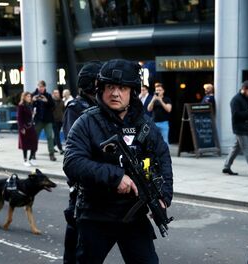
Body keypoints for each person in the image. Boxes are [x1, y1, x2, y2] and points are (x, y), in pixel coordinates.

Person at [63, 59, 173, 263]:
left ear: (132, 91)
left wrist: (164, 196)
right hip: (95, 214)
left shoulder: (145, 124)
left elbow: (163, 159)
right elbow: (72, 162)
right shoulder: (86, 122)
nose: (115, 93)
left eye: (122, 88)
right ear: (101, 89)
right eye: (110, 87)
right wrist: (116, 177)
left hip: (134, 215)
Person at [60, 60, 102, 264]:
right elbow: (74, 147)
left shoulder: (102, 107)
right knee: (76, 237)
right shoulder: (75, 108)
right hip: (81, 184)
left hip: (100, 183)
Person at [222, 80, 248, 178]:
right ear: (243, 89)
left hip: (247, 127)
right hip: (239, 127)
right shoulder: (235, 100)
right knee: (246, 148)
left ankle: (226, 166)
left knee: (236, 147)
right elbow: (236, 115)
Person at [31, 80, 57, 161]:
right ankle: (33, 153)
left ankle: (51, 154)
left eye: (42, 87)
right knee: (35, 137)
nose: (40, 88)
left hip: (47, 120)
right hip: (38, 120)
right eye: (39, 87)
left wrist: (47, 101)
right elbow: (28, 107)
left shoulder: (48, 95)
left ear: (45, 87)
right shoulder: (33, 95)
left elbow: (53, 107)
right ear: (37, 86)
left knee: (50, 137)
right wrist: (32, 101)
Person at [17, 91, 38, 166]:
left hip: (31, 126)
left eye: (30, 96)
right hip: (24, 127)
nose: (30, 98)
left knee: (34, 143)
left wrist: (33, 114)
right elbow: (19, 118)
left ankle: (31, 158)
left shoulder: (30, 105)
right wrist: (22, 128)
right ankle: (25, 160)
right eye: (28, 96)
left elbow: (30, 116)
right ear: (24, 97)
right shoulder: (21, 106)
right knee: (25, 145)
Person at [52, 89, 65, 154]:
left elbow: (63, 110)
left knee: (56, 135)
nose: (57, 94)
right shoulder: (51, 102)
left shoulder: (62, 101)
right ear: (53, 94)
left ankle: (52, 146)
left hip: (60, 120)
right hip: (53, 121)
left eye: (58, 93)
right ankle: (60, 149)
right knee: (57, 135)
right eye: (55, 93)